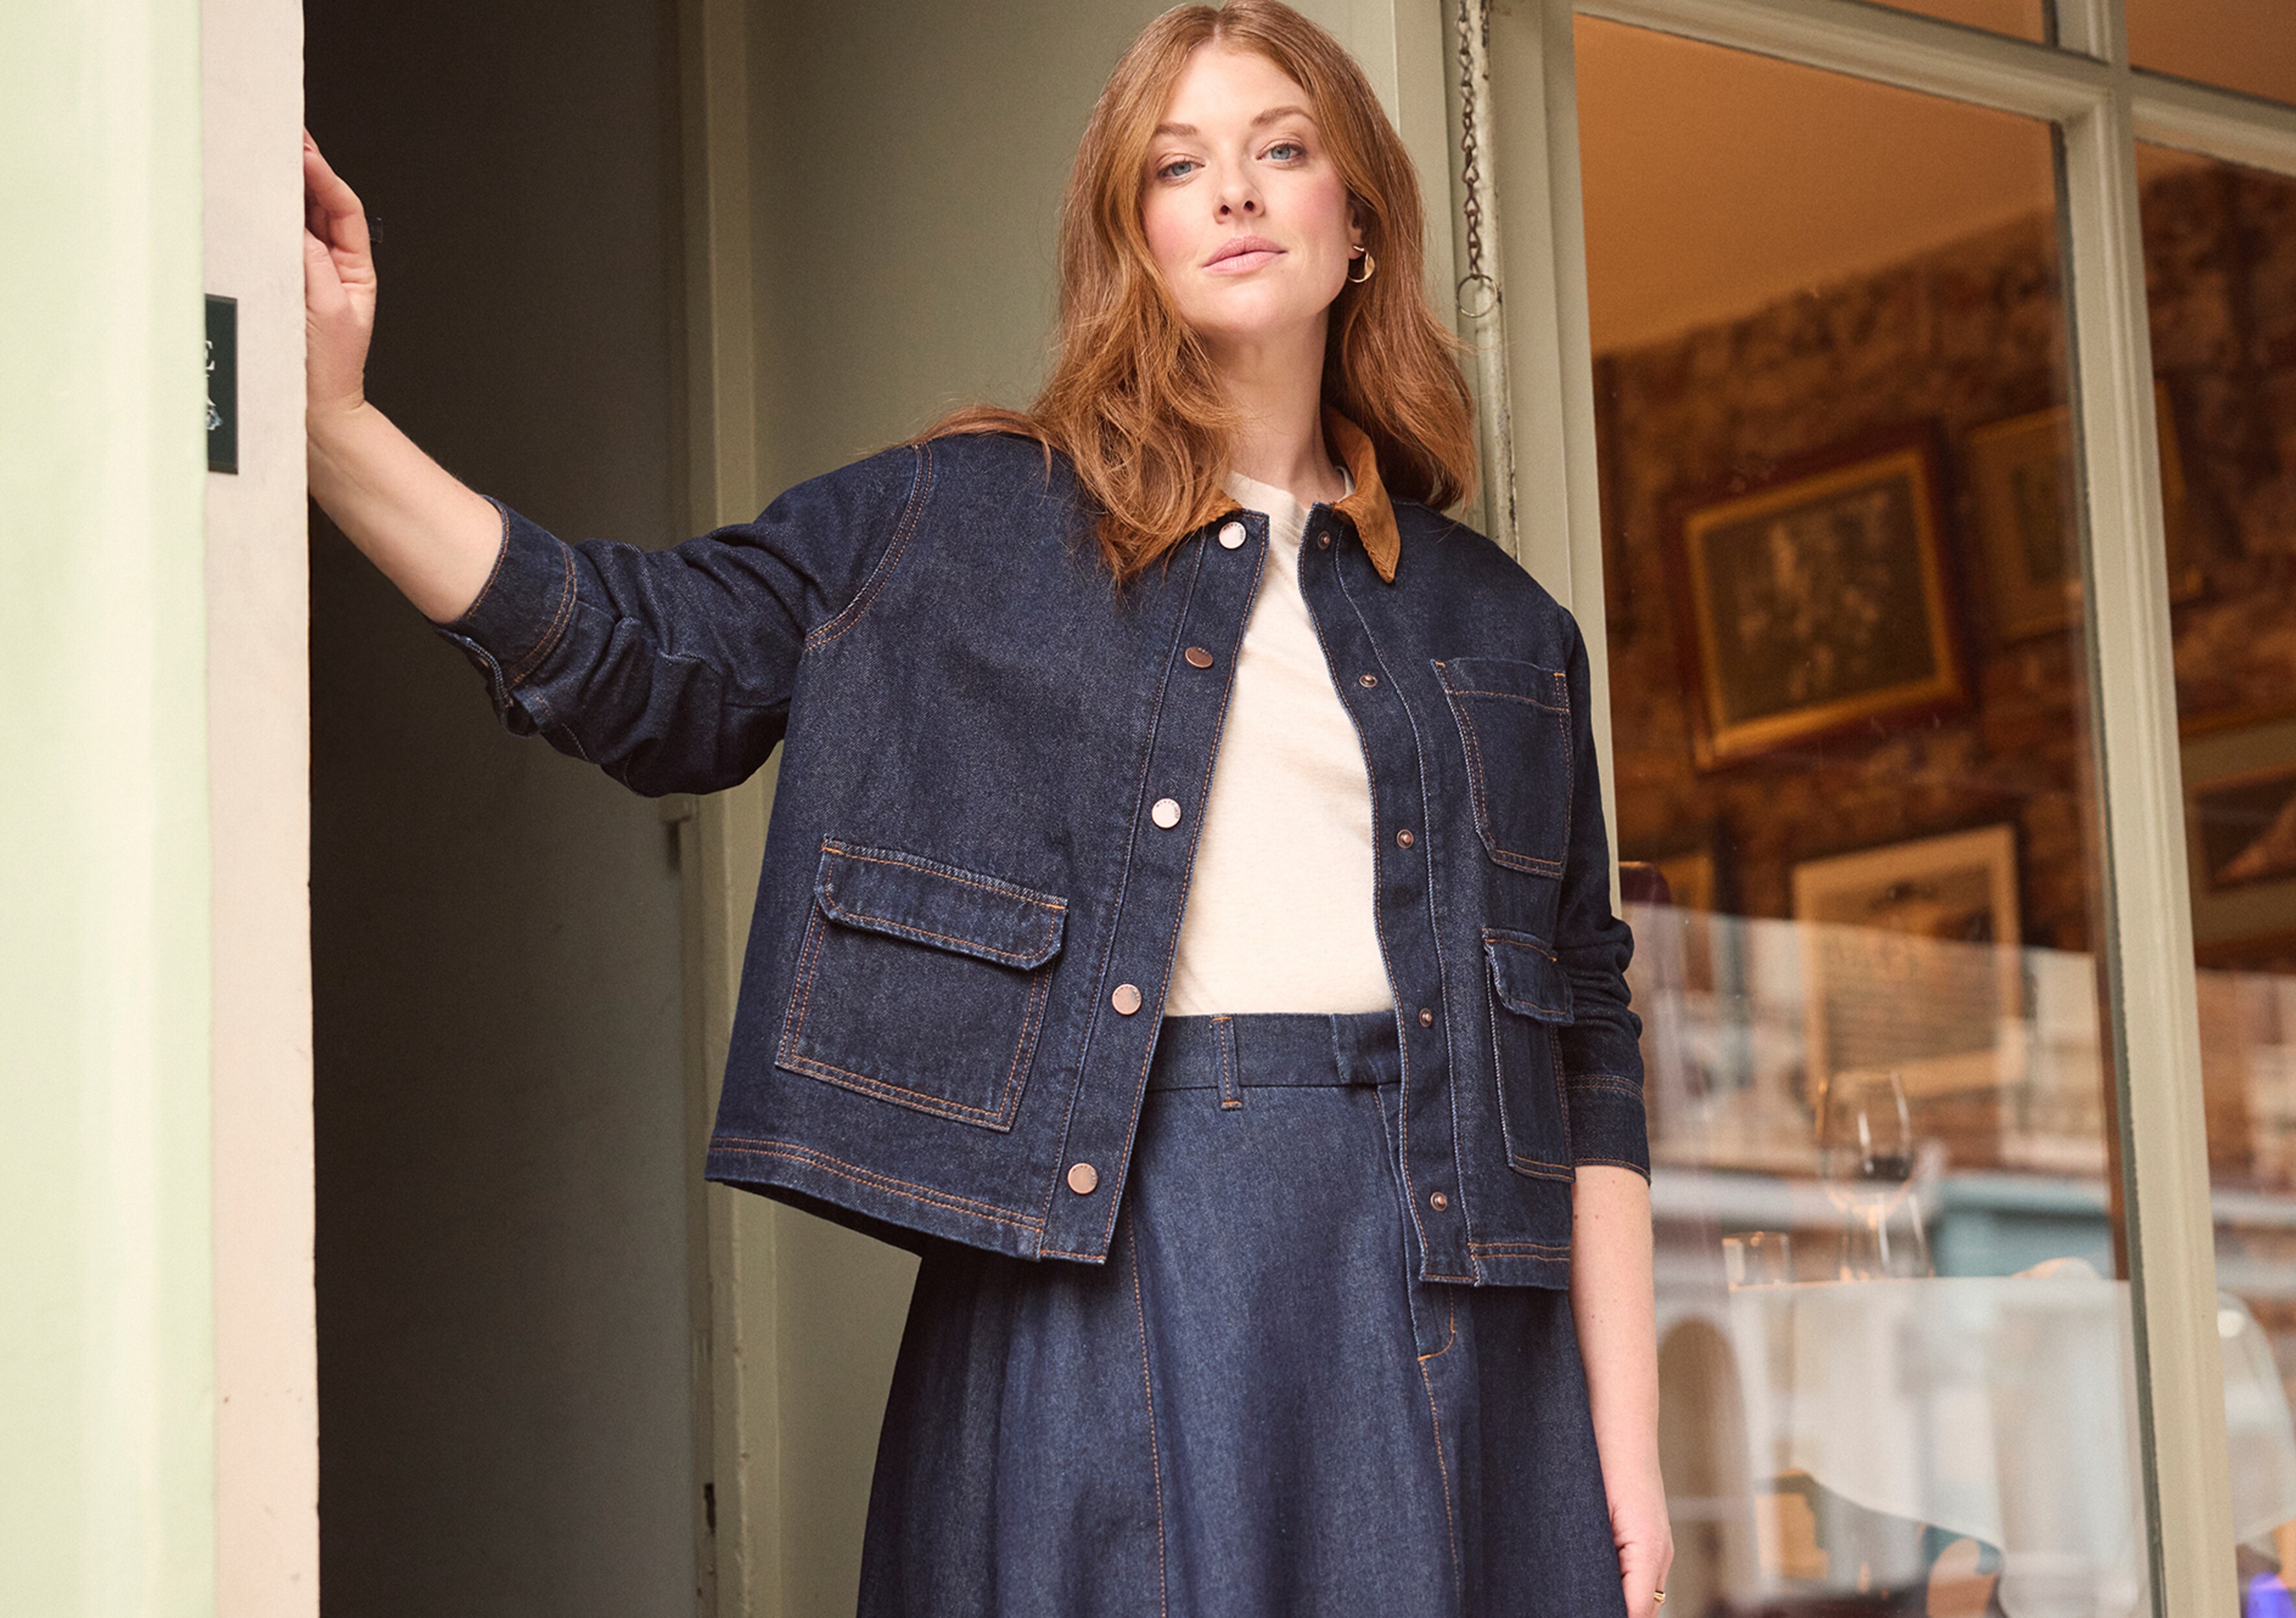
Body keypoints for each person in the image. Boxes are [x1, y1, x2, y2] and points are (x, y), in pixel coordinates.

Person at [302, 2, 1672, 1611]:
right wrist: (334, 430)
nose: (1234, 192)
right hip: (1110, 1272)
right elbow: (641, 660)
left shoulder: (1503, 630)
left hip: (1458, 1300)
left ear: (1357, 220)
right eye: (1180, 166)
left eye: (1280, 151)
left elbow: (1585, 1050)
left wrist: (1625, 1466)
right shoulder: (959, 520)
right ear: (1131, 237)